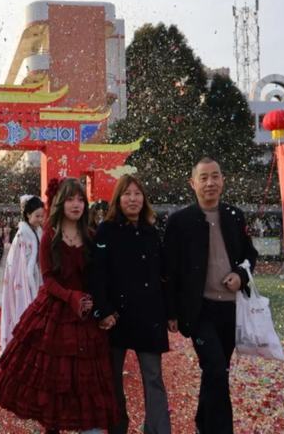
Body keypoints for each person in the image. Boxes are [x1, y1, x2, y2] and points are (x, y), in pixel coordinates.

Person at [0, 178, 118, 434]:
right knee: (52, 382)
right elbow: (48, 279)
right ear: (60, 202)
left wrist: (101, 307)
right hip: (55, 312)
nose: (76, 204)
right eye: (70, 199)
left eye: (80, 199)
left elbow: (100, 276)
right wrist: (71, 297)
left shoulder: (91, 236)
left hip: (85, 315)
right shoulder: (49, 235)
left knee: (85, 383)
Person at [164, 157, 258, 434]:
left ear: (223, 180)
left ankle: (203, 423)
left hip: (230, 309)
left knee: (216, 371)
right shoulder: (180, 221)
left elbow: (249, 255)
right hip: (199, 309)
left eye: (215, 176)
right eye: (203, 178)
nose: (210, 183)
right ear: (192, 183)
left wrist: (240, 275)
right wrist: (171, 311)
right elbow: (169, 270)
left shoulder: (234, 215)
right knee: (216, 368)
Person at [89, 175, 171, 434]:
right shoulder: (107, 230)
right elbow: (97, 274)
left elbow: (163, 275)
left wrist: (171, 312)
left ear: (144, 199)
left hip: (150, 315)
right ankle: (117, 427)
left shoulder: (151, 231)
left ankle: (158, 430)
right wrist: (103, 310)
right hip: (116, 317)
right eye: (127, 194)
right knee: (112, 379)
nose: (133, 199)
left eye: (137, 194)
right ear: (118, 199)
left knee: (153, 378)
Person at [0, 195, 45, 355]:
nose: (40, 219)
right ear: (28, 214)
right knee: (22, 312)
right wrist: (24, 279)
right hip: (22, 279)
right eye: (37, 216)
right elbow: (15, 262)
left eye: (42, 216)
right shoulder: (21, 234)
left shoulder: (38, 231)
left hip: (36, 277)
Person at [0, 225, 12, 307]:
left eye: (8, 227)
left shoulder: (13, 238)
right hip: (2, 262)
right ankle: (0, 300)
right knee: (1, 281)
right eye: (5, 227)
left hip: (10, 263)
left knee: (9, 281)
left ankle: (8, 300)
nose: (7, 229)